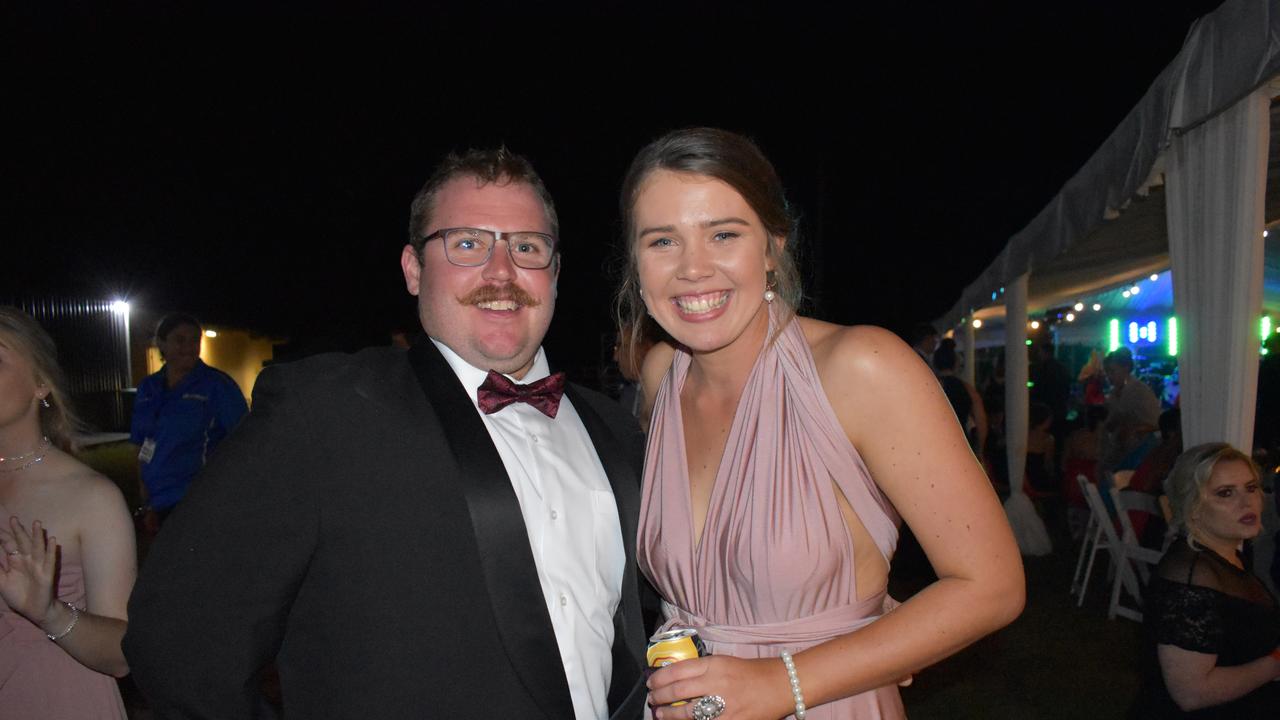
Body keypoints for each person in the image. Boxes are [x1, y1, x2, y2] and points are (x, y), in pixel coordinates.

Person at [124, 148, 649, 718]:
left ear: (554, 273)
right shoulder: (323, 415)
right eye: (467, 244)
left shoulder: (614, 428)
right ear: (413, 269)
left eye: (527, 247)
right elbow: (178, 643)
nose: (502, 272)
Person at [621, 128, 1024, 719]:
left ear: (773, 249)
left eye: (724, 234)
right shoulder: (662, 376)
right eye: (663, 241)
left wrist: (782, 682)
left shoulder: (862, 368)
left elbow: (991, 586)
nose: (693, 268)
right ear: (636, 264)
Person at [0, 307, 136, 718]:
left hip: (57, 698)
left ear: (41, 383)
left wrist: (49, 612)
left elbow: (122, 654)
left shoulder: (90, 496)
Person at [1133, 443, 1280, 718]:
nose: (1247, 502)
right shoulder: (1191, 578)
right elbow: (1191, 693)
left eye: (1250, 488)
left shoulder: (1225, 557)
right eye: (1225, 493)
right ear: (1193, 508)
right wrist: (1274, 664)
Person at [129, 313, 248, 527]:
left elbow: (245, 441)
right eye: (180, 340)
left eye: (194, 340)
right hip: (158, 502)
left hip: (199, 500)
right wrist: (145, 496)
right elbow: (141, 443)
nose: (188, 347)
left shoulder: (216, 386)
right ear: (161, 344)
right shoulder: (149, 387)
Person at [1101, 347, 1161, 471]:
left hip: (1142, 447)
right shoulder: (1118, 391)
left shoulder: (1134, 389)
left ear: (1126, 368)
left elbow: (1117, 419)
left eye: (1112, 371)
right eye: (1107, 372)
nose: (1109, 376)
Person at [933, 337, 987, 456]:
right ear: (956, 364)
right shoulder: (967, 388)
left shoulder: (930, 388)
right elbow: (981, 421)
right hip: (961, 443)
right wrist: (979, 451)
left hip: (936, 444)